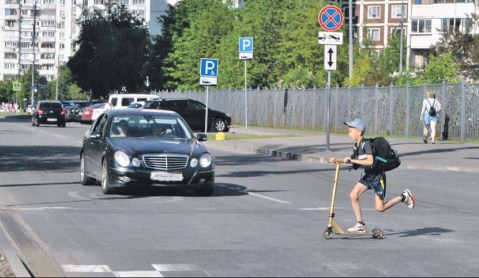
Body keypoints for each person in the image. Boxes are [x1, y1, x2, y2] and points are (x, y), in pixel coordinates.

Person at [329, 118, 415, 233]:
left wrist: (352, 161)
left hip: (377, 177)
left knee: (380, 208)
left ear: (359, 132)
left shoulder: (366, 144)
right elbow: (353, 160)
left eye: (351, 131)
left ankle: (404, 196)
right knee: (353, 195)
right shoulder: (357, 146)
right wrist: (337, 160)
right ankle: (360, 225)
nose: (349, 133)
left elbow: (370, 161)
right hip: (367, 176)